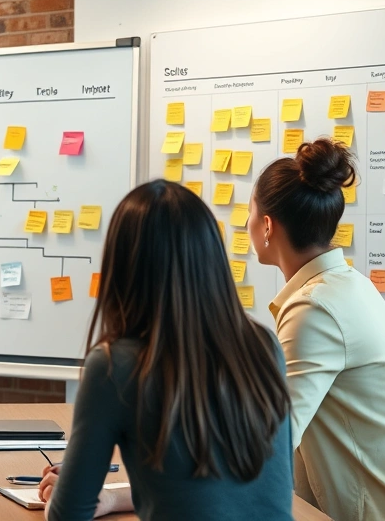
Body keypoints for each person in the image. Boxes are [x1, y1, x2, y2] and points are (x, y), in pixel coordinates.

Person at [39, 180, 294, 520]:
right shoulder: (264, 345)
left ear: (122, 267)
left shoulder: (115, 366)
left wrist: (62, 494)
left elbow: (67, 515)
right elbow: (230, 491)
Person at [246, 138, 385, 521]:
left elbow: (272, 443)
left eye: (249, 212)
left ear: (266, 225)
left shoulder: (315, 309)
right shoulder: (345, 286)